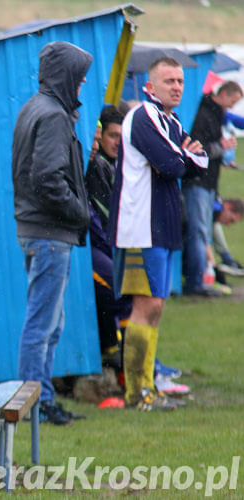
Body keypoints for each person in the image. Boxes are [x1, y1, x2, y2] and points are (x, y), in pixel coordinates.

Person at [107, 57, 208, 411]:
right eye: (169, 81)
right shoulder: (143, 116)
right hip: (140, 228)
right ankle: (137, 392)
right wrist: (181, 155)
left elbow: (200, 161)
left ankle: (148, 385)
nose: (177, 87)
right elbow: (173, 165)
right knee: (144, 305)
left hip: (162, 227)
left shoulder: (172, 120)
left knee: (157, 307)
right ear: (151, 86)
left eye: (180, 81)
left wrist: (181, 155)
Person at [11, 41, 92, 425]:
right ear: (66, 76)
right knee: (42, 324)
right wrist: (82, 214)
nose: (84, 82)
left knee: (49, 322)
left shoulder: (34, 107)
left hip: (38, 230)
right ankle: (36, 404)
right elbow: (46, 178)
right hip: (49, 233)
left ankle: (42, 398)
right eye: (79, 75)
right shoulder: (54, 114)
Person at [182, 80, 242, 296]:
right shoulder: (205, 114)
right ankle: (195, 283)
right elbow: (197, 149)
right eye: (232, 102)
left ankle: (200, 279)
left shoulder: (213, 113)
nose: (231, 107)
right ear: (224, 94)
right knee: (198, 232)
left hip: (207, 182)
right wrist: (221, 147)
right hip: (198, 182)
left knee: (202, 232)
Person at [85, 105, 132, 367]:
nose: (117, 142)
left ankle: (121, 357)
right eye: (112, 136)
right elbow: (100, 221)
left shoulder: (111, 165)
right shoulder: (96, 167)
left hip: (104, 246)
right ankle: (125, 363)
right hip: (91, 247)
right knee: (121, 290)